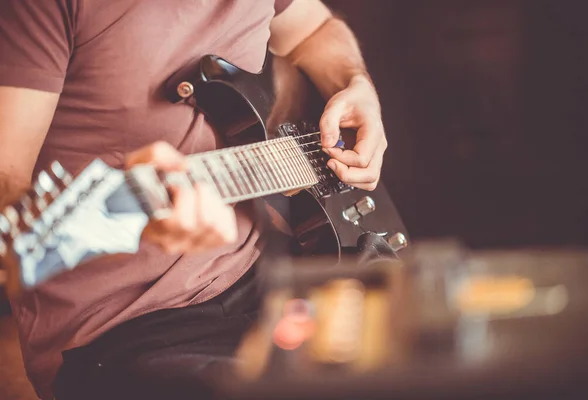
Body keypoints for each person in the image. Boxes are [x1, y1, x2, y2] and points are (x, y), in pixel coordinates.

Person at [0, 0, 388, 398]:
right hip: (120, 328)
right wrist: (140, 217)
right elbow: (6, 187)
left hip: (265, 273)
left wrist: (355, 85)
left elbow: (313, 29)